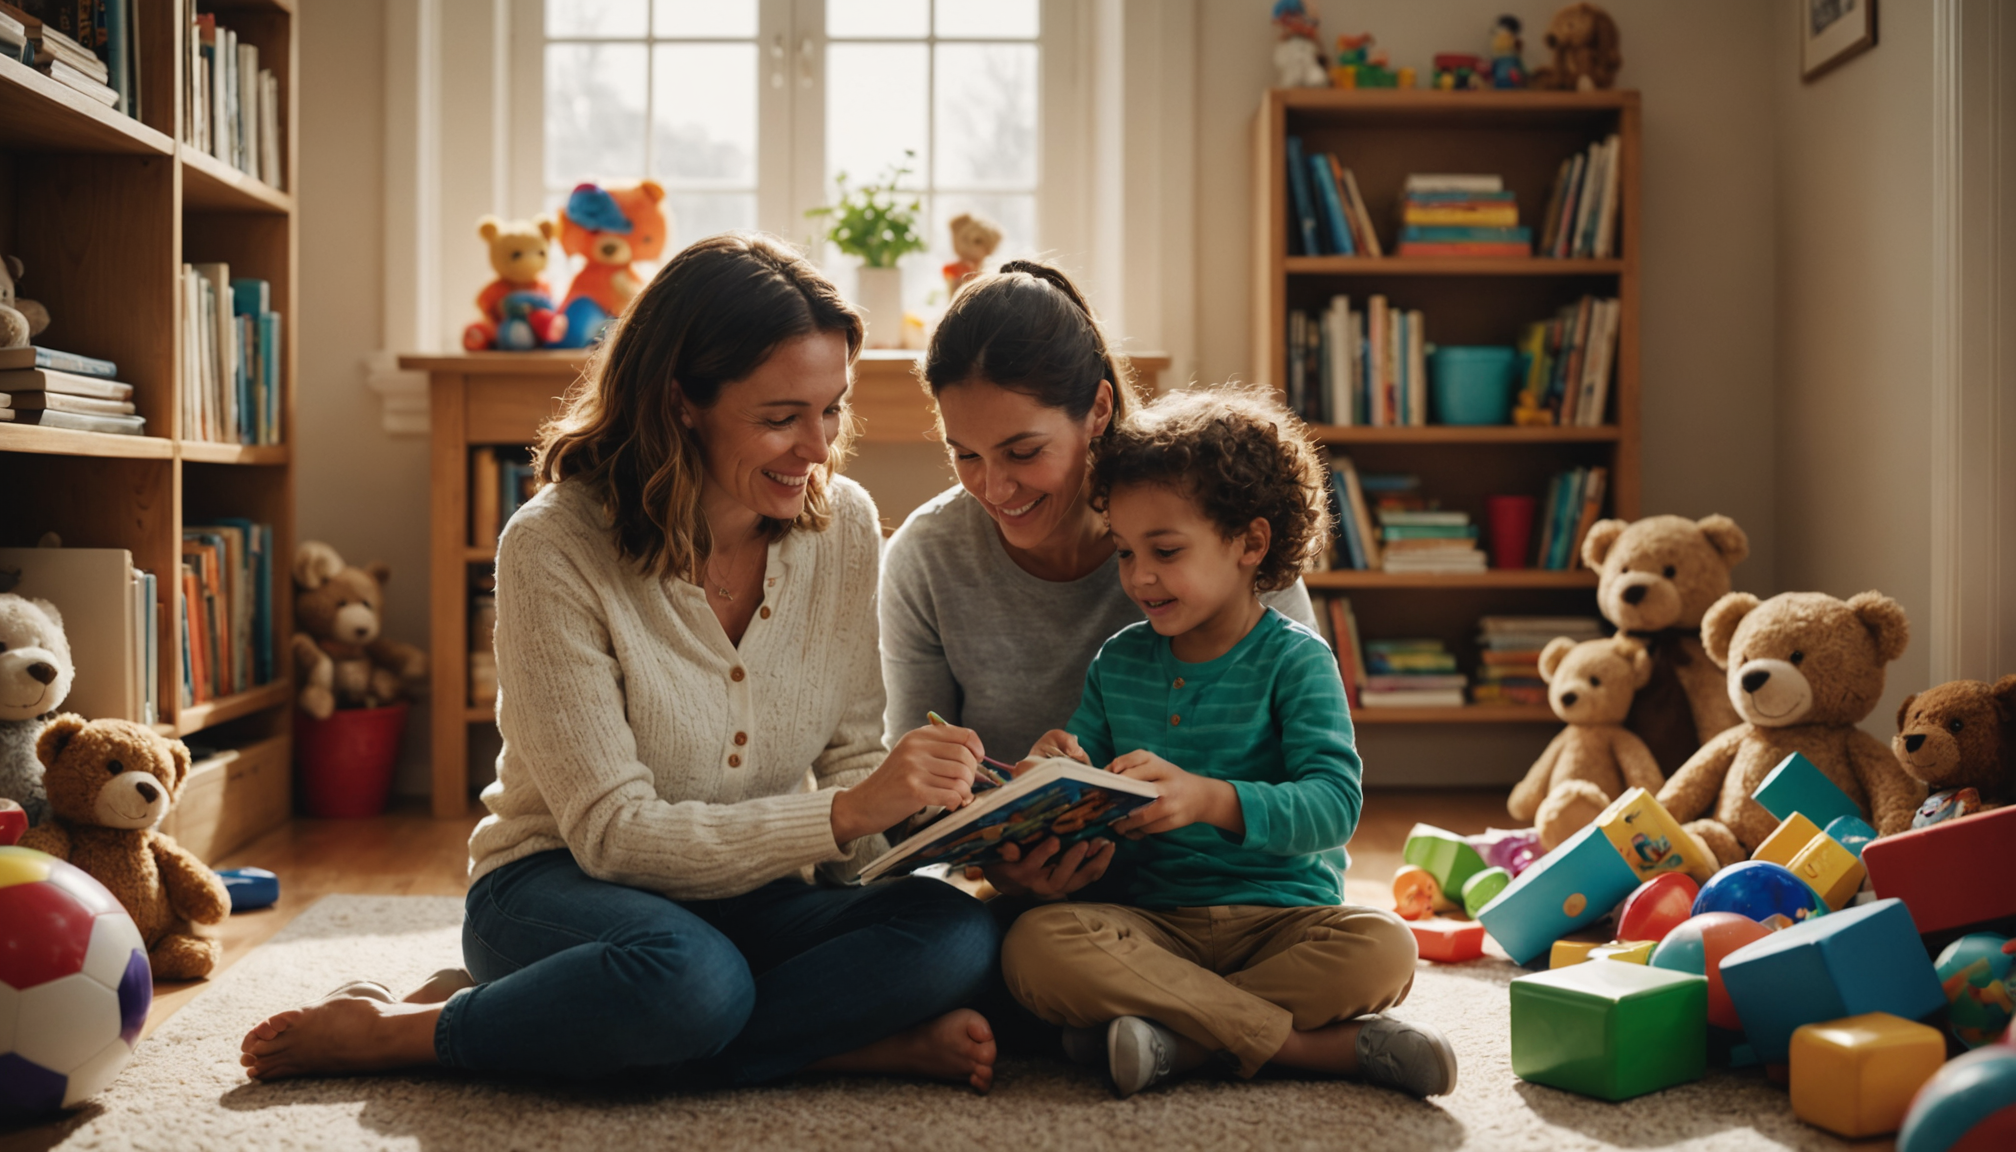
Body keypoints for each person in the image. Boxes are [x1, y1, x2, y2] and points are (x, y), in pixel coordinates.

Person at [240, 235, 1002, 1091]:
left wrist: (956, 819)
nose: (818, 448)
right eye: (781, 417)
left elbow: (853, 758)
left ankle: (590, 1020)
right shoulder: (553, 546)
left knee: (957, 935)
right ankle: (404, 1034)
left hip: (755, 893)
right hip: (558, 887)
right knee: (686, 982)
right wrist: (850, 812)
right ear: (682, 400)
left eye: (832, 409)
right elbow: (613, 837)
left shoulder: (845, 526)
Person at [998, 387, 1458, 1099]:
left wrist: (1210, 801)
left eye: (1166, 550)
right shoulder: (1117, 663)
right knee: (1033, 947)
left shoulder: (1296, 660)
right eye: (1124, 552)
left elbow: (1334, 805)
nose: (1139, 576)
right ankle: (1311, 1050)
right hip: (1150, 924)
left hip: (1283, 919)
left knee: (1384, 947)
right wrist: (1056, 770)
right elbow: (1085, 790)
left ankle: (1172, 1038)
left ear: (1250, 542)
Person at [881, 260, 1320, 902]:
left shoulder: (1212, 518)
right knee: (946, 944)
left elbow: (1312, 765)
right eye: (965, 455)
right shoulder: (928, 555)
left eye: (1024, 452)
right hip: (1029, 902)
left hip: (1231, 887)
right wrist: (994, 861)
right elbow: (911, 806)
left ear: (1098, 409)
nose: (994, 489)